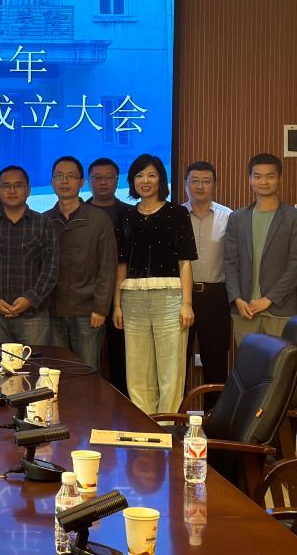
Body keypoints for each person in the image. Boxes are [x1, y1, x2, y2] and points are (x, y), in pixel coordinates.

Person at [112, 154, 197, 415]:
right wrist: (117, 305)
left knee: (170, 369)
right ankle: (145, 423)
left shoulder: (177, 213)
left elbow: (185, 262)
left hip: (170, 298)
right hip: (133, 299)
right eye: (139, 175)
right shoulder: (125, 215)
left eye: (151, 175)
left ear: (161, 178)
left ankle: (167, 426)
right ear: (132, 181)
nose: (145, 181)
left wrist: (187, 304)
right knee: (137, 369)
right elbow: (121, 263)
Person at [225, 153, 297, 342]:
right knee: (249, 361)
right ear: (250, 179)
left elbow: (296, 265)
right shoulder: (237, 218)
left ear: (279, 178)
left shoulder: (295, 218)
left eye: (270, 176)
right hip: (244, 310)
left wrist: (268, 299)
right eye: (257, 176)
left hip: (280, 310)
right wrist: (237, 299)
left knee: (281, 361)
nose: (263, 182)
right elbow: (230, 263)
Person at [44, 155, 118, 370]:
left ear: (82, 182)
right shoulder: (44, 220)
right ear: (52, 181)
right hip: (52, 311)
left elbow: (107, 267)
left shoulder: (98, 219)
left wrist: (101, 308)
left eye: (71, 176)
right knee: (56, 373)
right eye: (59, 176)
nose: (64, 181)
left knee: (87, 372)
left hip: (88, 312)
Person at [0, 165, 57, 347]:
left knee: (34, 363)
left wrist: (30, 299)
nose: (12, 191)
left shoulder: (43, 223)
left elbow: (51, 268)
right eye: (6, 186)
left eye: (18, 185)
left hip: (34, 316)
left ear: (28, 190)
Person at [183, 161, 233, 400]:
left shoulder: (229, 217)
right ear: (185, 185)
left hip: (216, 297)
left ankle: (214, 418)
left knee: (215, 360)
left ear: (214, 185)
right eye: (194, 181)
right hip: (181, 297)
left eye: (206, 181)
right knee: (178, 361)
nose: (200, 186)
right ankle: (175, 416)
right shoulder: (176, 216)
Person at [87, 157, 131, 394]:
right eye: (97, 178)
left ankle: (121, 405)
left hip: (121, 297)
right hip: (86, 296)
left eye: (108, 177)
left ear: (117, 180)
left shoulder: (130, 214)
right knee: (87, 361)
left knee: (120, 357)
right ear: (88, 181)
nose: (103, 182)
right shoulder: (80, 213)